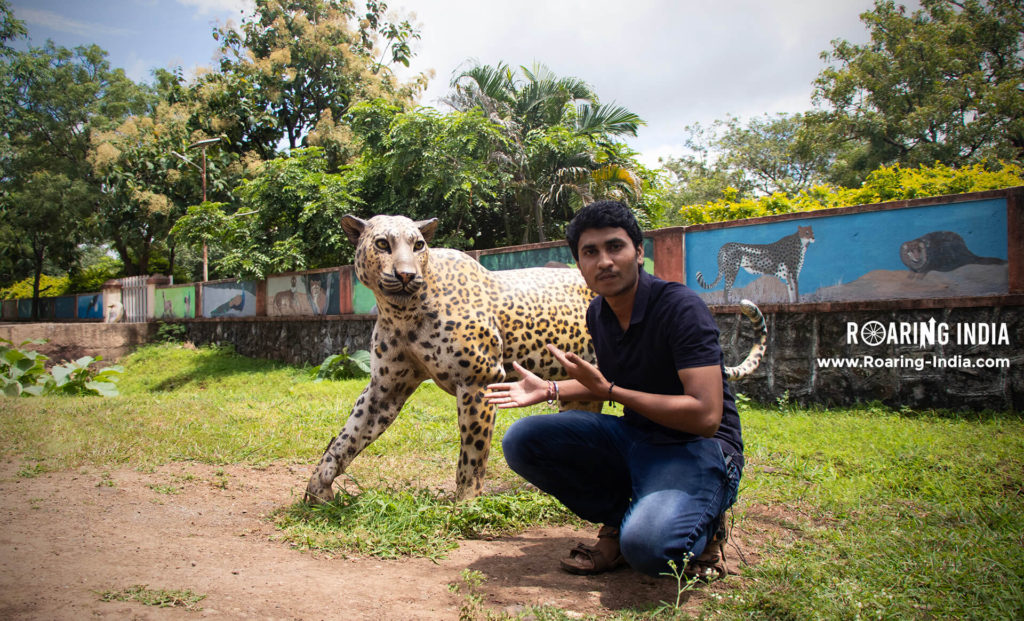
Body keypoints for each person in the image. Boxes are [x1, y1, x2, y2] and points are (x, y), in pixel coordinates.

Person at [485, 200, 742, 579]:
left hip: (698, 448)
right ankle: (620, 518)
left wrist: (611, 393)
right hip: (637, 436)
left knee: (650, 551)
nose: (604, 261)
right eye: (590, 252)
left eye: (615, 247)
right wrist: (551, 388)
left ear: (638, 253)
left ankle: (706, 522)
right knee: (524, 438)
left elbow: (705, 416)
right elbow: (609, 378)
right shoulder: (598, 313)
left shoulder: (680, 308)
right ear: (580, 265)